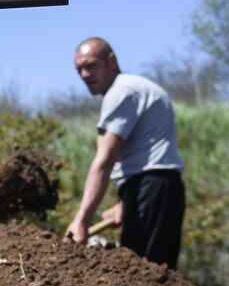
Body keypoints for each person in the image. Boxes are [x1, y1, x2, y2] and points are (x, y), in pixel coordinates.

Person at [64, 37, 186, 268]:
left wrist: (82, 220)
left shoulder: (122, 91)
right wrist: (125, 204)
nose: (84, 75)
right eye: (79, 69)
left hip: (152, 190)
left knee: (146, 274)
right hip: (157, 189)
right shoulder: (135, 87)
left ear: (112, 61)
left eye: (91, 66)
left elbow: (104, 160)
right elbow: (146, 152)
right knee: (157, 270)